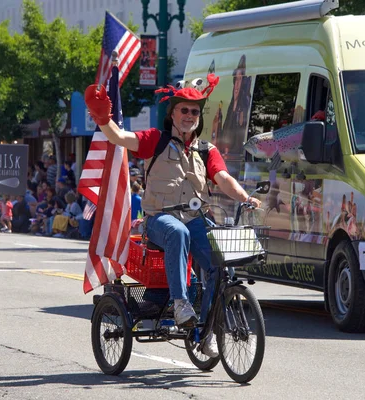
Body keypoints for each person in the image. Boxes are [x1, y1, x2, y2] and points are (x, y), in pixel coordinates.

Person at [84, 74, 262, 358]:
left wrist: (246, 197)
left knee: (221, 265)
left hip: (196, 219)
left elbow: (223, 177)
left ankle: (204, 333)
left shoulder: (207, 150)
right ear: (173, 113)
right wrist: (102, 117)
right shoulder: (155, 140)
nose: (189, 115)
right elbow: (119, 137)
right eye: (184, 110)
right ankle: (180, 303)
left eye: (194, 111)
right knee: (176, 232)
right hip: (159, 221)